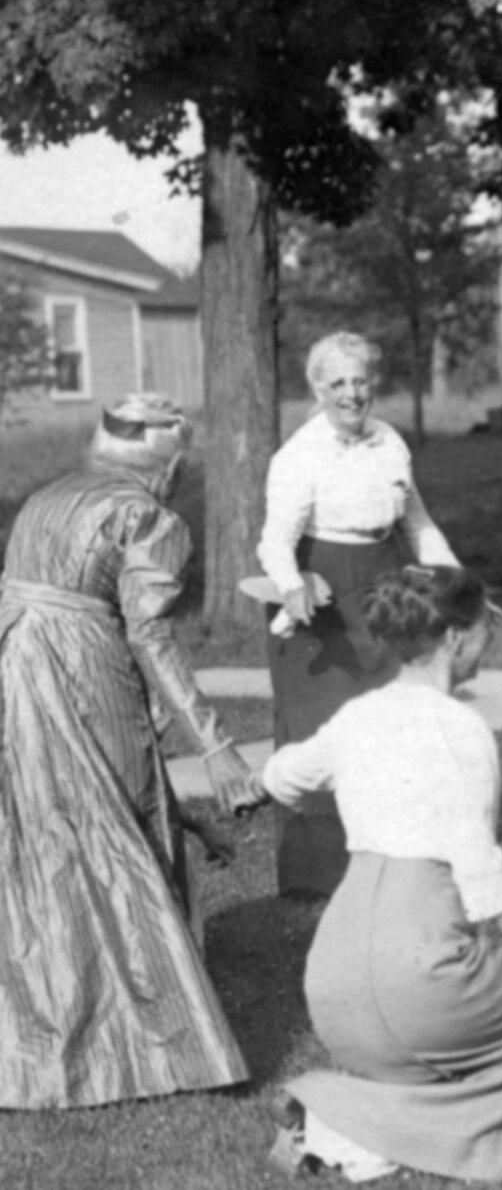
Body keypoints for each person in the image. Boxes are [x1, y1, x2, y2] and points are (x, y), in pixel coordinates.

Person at [258, 567, 502, 1182]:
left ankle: (355, 1124)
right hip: (417, 975)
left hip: (333, 980)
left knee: (428, 1042)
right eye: (486, 627)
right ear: (454, 638)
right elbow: (476, 860)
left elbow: (283, 775)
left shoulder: (357, 716)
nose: (490, 640)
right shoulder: (461, 728)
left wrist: (271, 783)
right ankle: (407, 1132)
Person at [0, 395, 254, 1108]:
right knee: (118, 832)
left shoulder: (44, 497)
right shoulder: (151, 518)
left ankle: (34, 1028)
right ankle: (143, 1040)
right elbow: (150, 636)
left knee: (41, 831)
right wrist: (216, 744)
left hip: (12, 662)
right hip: (83, 668)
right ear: (169, 467)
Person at [259, 331, 461, 900]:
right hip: (321, 584)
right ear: (317, 389)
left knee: (395, 719)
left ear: (373, 383)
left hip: (385, 573)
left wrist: (455, 579)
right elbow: (275, 540)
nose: (351, 393)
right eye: (337, 383)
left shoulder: (390, 441)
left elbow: (416, 521)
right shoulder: (299, 455)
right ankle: (320, 875)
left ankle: (397, 856)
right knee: (323, 727)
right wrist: (290, 587)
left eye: (360, 380)